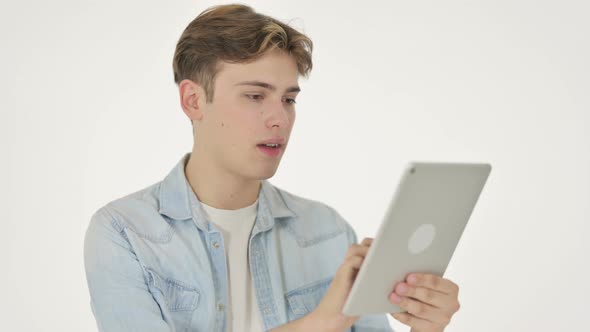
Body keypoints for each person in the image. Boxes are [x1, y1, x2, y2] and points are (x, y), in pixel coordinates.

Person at [83, 4, 461, 332]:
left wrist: (426, 325)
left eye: (289, 99)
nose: (279, 118)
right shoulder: (125, 234)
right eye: (255, 96)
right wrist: (319, 325)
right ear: (193, 101)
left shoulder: (327, 232)